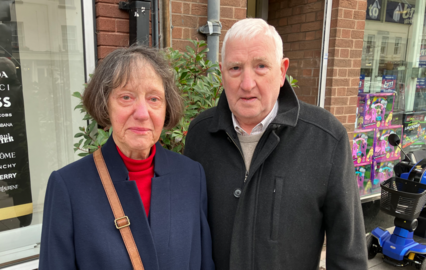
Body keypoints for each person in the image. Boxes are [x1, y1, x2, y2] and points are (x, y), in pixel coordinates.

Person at [184, 18, 368, 270]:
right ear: (222, 73)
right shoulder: (200, 135)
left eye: (260, 66)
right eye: (235, 68)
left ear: (282, 72)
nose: (247, 84)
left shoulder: (326, 138)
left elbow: (348, 252)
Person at [39, 46, 215, 269]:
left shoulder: (191, 176)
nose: (142, 113)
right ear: (105, 105)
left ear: (166, 108)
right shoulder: (69, 186)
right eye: (126, 97)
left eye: (154, 99)